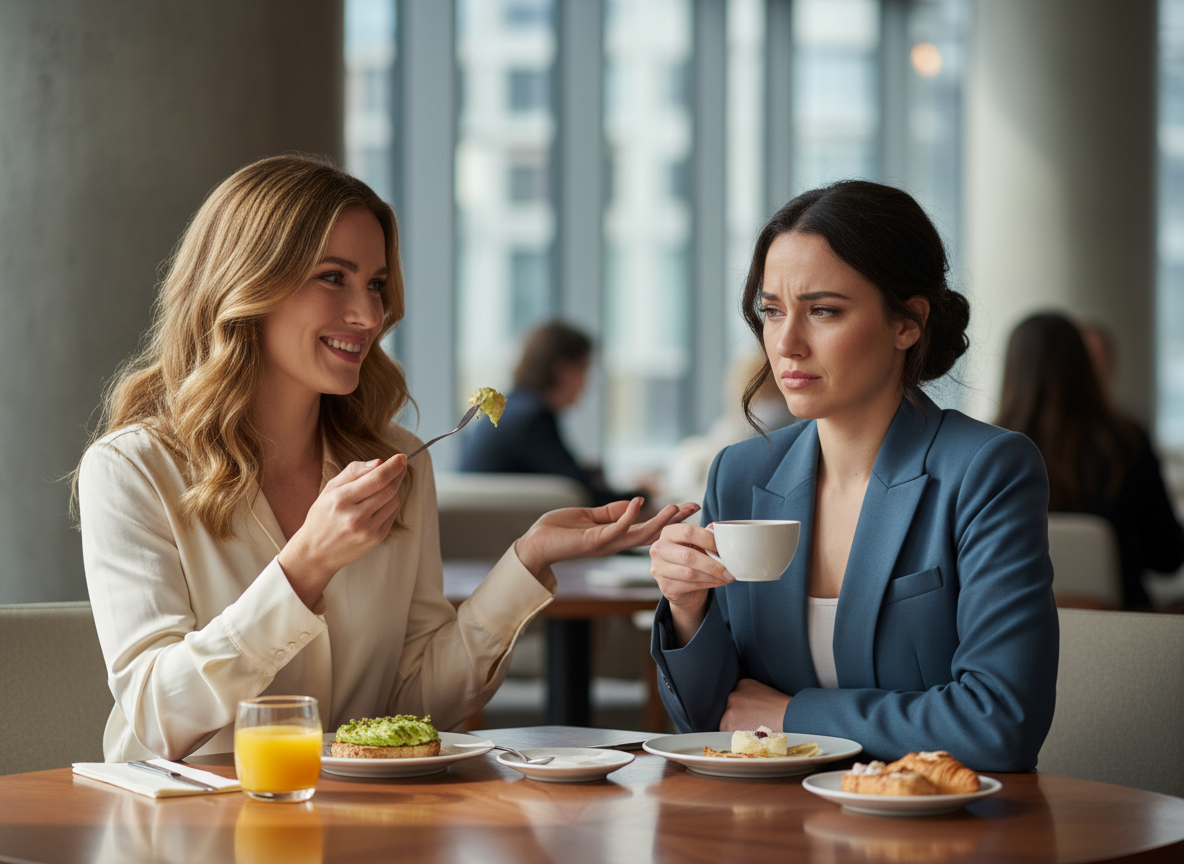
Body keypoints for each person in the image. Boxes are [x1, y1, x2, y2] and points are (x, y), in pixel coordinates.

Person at [76, 155, 697, 762]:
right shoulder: (132, 471)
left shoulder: (397, 462)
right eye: (332, 277)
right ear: (247, 283)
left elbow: (417, 701)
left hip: (350, 823)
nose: (369, 315)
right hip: (183, 827)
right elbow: (159, 718)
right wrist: (306, 565)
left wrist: (526, 560)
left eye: (375, 284)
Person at [647, 180, 1059, 773]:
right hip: (765, 826)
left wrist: (793, 716)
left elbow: (999, 724)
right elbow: (713, 722)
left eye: (823, 311)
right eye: (771, 311)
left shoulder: (985, 470)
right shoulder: (740, 474)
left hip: (932, 831)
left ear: (907, 323)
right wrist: (687, 610)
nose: (786, 343)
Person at [995, 312, 1184, 609]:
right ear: (1083, 367)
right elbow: (1167, 558)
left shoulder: (987, 452)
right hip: (1120, 629)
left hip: (1013, 628)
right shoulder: (1127, 443)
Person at [460, 321, 644, 506]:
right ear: (564, 370)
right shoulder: (532, 419)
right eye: (584, 370)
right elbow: (582, 493)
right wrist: (642, 496)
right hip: (499, 528)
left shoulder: (510, 407)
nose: (586, 383)